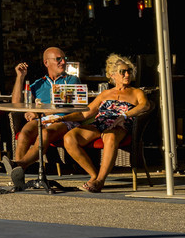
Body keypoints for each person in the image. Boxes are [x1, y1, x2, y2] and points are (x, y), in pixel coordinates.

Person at [46, 54, 149, 192]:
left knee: (110, 137)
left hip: (119, 125)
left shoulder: (136, 92)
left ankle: (100, 181)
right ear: (112, 75)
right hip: (99, 124)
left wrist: (125, 115)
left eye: (129, 71)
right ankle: (94, 174)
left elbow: (145, 106)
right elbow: (85, 113)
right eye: (122, 71)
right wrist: (62, 118)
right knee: (70, 138)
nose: (126, 74)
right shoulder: (105, 93)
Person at [7, 45, 74, 189]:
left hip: (63, 119)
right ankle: (18, 177)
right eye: (58, 59)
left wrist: (39, 112)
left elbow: (65, 106)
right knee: (24, 133)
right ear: (46, 63)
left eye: (64, 59)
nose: (63, 62)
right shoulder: (39, 83)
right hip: (41, 120)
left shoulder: (72, 81)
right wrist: (20, 77)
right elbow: (17, 104)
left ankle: (18, 165)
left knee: (44, 134)